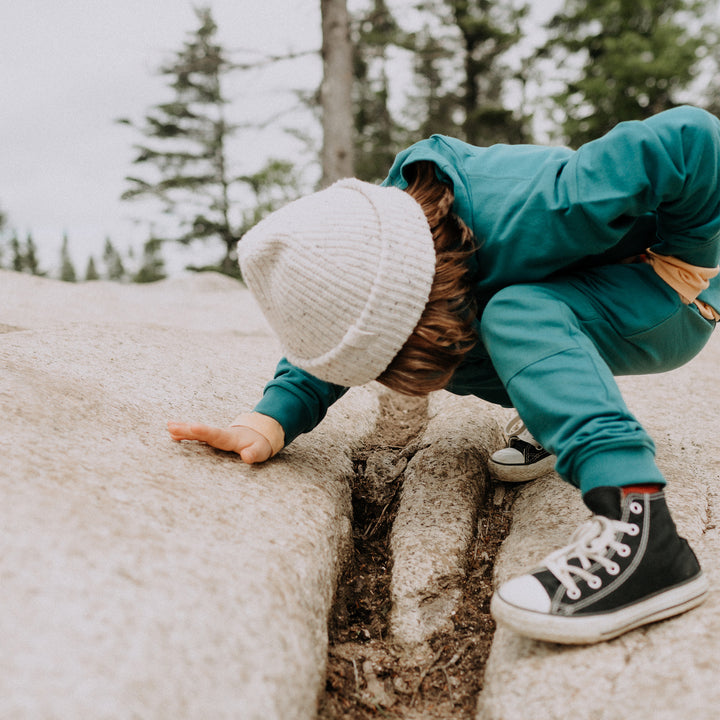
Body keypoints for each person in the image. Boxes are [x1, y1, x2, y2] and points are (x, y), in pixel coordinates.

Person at [168, 105, 719, 645]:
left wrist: (690, 256)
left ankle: (643, 531)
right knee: (474, 330)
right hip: (584, 288)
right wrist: (272, 418)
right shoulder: (379, 239)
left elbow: (693, 139)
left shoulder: (541, 204)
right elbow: (347, 326)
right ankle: (556, 417)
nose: (397, 381)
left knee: (508, 317)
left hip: (671, 289)